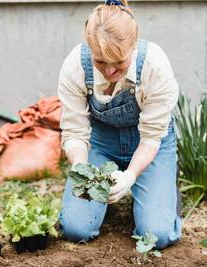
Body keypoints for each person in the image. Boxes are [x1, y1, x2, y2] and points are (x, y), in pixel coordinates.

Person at [57, 0, 181, 249]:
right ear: (89, 47)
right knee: (74, 228)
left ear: (133, 46)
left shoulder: (154, 65)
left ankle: (163, 189)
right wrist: (84, 170)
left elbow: (151, 138)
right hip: (101, 142)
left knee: (156, 235)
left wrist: (130, 176)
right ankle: (104, 203)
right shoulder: (75, 66)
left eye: (119, 62)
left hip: (148, 143)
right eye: (101, 61)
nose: (110, 70)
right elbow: (74, 132)